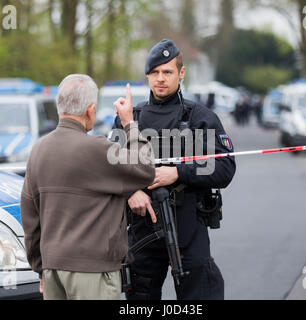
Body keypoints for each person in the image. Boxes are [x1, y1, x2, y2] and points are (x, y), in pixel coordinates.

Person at [112, 39, 236, 300]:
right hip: (143, 227)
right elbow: (110, 171)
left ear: (181, 73)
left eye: (167, 72)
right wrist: (131, 191)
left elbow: (225, 167)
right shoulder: (129, 117)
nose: (160, 79)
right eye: (154, 73)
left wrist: (179, 173)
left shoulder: (200, 117)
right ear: (147, 76)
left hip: (189, 226)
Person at [20, 74, 155, 300]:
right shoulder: (98, 149)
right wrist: (130, 123)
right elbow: (144, 168)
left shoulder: (38, 150)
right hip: (94, 270)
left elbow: (30, 217)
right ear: (91, 110)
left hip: (53, 269)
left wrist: (41, 266)